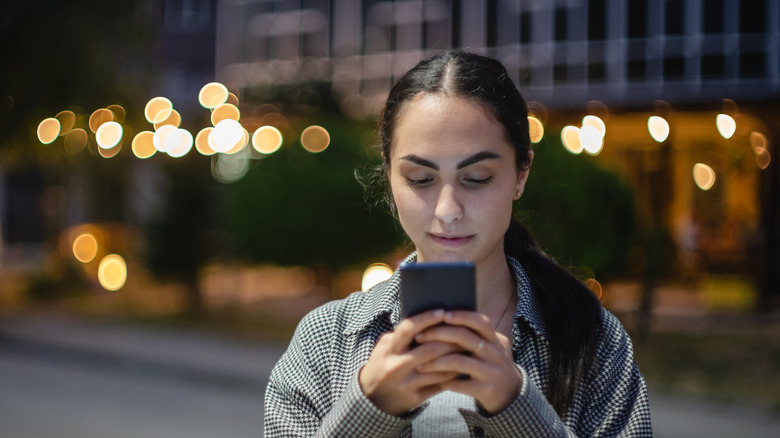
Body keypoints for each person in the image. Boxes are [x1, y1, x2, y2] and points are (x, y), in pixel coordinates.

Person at [264, 50, 652, 437]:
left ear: (521, 175)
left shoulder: (591, 338)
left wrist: (517, 406)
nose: (448, 210)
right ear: (389, 176)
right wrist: (368, 409)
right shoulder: (328, 338)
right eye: (420, 178)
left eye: (477, 177)